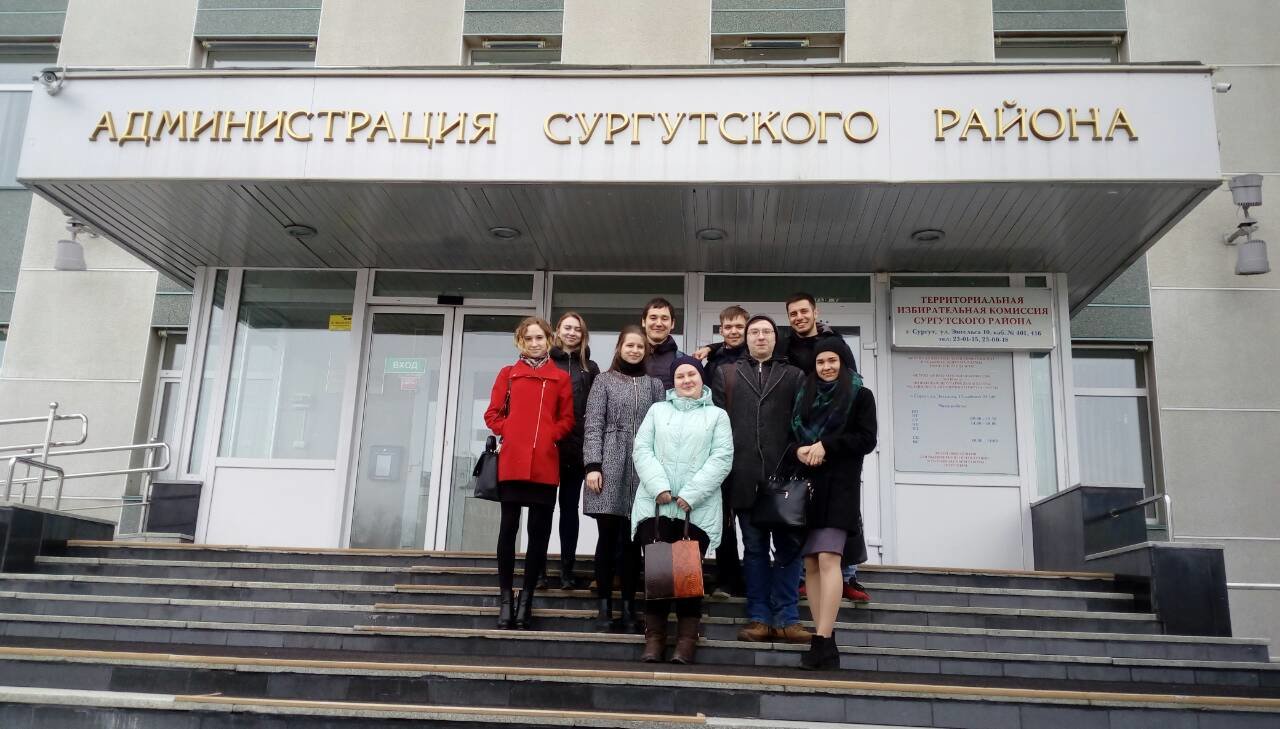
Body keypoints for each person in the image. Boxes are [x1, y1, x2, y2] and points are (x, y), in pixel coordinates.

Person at [711, 315, 810, 645]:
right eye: (754, 332)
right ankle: (759, 617)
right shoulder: (726, 374)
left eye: (766, 331)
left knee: (788, 551)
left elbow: (802, 426)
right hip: (742, 478)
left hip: (785, 482)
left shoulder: (794, 375)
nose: (760, 337)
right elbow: (716, 428)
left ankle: (787, 618)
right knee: (753, 550)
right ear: (746, 338)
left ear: (775, 338)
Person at [631, 356, 732, 664]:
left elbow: (722, 458)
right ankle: (654, 639)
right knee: (658, 574)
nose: (686, 380)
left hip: (696, 511)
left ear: (701, 379)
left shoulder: (717, 416)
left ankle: (686, 642)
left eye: (692, 375)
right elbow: (642, 449)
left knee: (689, 577)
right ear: (672, 382)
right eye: (680, 376)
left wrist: (691, 494)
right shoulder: (657, 411)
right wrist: (659, 487)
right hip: (657, 507)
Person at [790, 339, 878, 670]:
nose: (826, 367)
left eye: (832, 361)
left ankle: (823, 640)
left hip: (840, 486)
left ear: (843, 362)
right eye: (821, 362)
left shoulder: (860, 395)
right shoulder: (805, 394)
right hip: (809, 487)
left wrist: (827, 445)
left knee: (829, 558)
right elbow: (792, 437)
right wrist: (799, 450)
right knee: (812, 562)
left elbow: (866, 439)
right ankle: (824, 640)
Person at [484, 317, 575, 630]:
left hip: (545, 464)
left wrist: (550, 435)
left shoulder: (560, 378)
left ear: (549, 340)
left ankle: (527, 599)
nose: (535, 343)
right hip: (512, 462)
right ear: (520, 342)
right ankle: (505, 598)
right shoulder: (508, 374)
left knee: (539, 534)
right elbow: (492, 414)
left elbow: (567, 419)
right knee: (508, 529)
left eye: (539, 338)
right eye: (529, 338)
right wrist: (510, 430)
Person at [783, 292, 871, 605]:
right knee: (804, 516)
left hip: (838, 453)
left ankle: (847, 576)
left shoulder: (836, 343)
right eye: (793, 313)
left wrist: (829, 444)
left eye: (803, 311)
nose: (799, 317)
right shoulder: (785, 346)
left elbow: (852, 387)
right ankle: (806, 579)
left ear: (815, 312)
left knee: (845, 517)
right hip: (806, 446)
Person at [582, 325, 665, 632]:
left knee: (633, 542)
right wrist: (593, 465)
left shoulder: (655, 385)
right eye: (629, 345)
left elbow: (662, 428)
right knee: (607, 539)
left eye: (640, 347)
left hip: (642, 469)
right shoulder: (603, 380)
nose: (634, 350)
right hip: (609, 464)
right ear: (619, 347)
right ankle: (604, 607)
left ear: (646, 351)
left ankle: (630, 608)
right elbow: (593, 424)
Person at [692, 305, 750, 598]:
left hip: (749, 450)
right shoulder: (713, 362)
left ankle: (750, 579)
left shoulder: (757, 357)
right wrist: (712, 349)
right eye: (728, 327)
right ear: (721, 329)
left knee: (750, 522)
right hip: (717, 448)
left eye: (739, 326)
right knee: (723, 520)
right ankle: (728, 578)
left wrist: (712, 346)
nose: (734, 331)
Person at [545, 312, 600, 591]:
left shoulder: (590, 368)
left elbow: (596, 410)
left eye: (577, 329)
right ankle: (538, 571)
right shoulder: (546, 363)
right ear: (558, 330)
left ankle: (566, 571)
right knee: (542, 509)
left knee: (569, 510)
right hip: (547, 448)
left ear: (583, 334)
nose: (572, 333)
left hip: (576, 449)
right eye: (567, 328)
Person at [641, 297, 682, 390]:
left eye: (664, 318)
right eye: (653, 318)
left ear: (672, 324)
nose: (659, 323)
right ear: (643, 321)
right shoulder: (629, 357)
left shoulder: (682, 361)